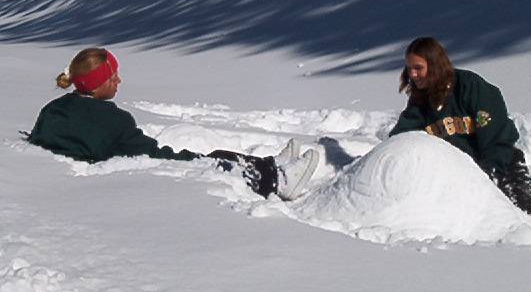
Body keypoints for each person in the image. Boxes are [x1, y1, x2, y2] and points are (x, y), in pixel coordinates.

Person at [25, 48, 319, 201]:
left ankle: (271, 164)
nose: (119, 81)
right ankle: (277, 181)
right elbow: (153, 155)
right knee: (215, 161)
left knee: (213, 157)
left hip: (84, 174)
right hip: (123, 182)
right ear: (97, 83)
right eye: (113, 78)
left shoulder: (53, 110)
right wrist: (193, 160)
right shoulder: (112, 119)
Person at [389, 37, 531, 216]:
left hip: (500, 167)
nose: (412, 74)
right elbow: (401, 140)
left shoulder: (470, 86)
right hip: (459, 177)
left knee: (526, 219)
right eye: (409, 68)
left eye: (418, 68)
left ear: (434, 65)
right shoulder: (420, 102)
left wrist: (487, 177)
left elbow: (496, 137)